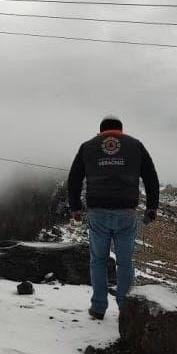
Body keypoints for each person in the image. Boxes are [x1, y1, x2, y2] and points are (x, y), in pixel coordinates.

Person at [67, 116, 160, 320]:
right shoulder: (135, 146)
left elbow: (73, 179)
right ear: (121, 130)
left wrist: (75, 208)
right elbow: (151, 177)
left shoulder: (88, 146)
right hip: (126, 212)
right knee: (125, 262)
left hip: (97, 212)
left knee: (98, 260)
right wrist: (152, 207)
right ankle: (126, 309)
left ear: (101, 131)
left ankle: (98, 307)